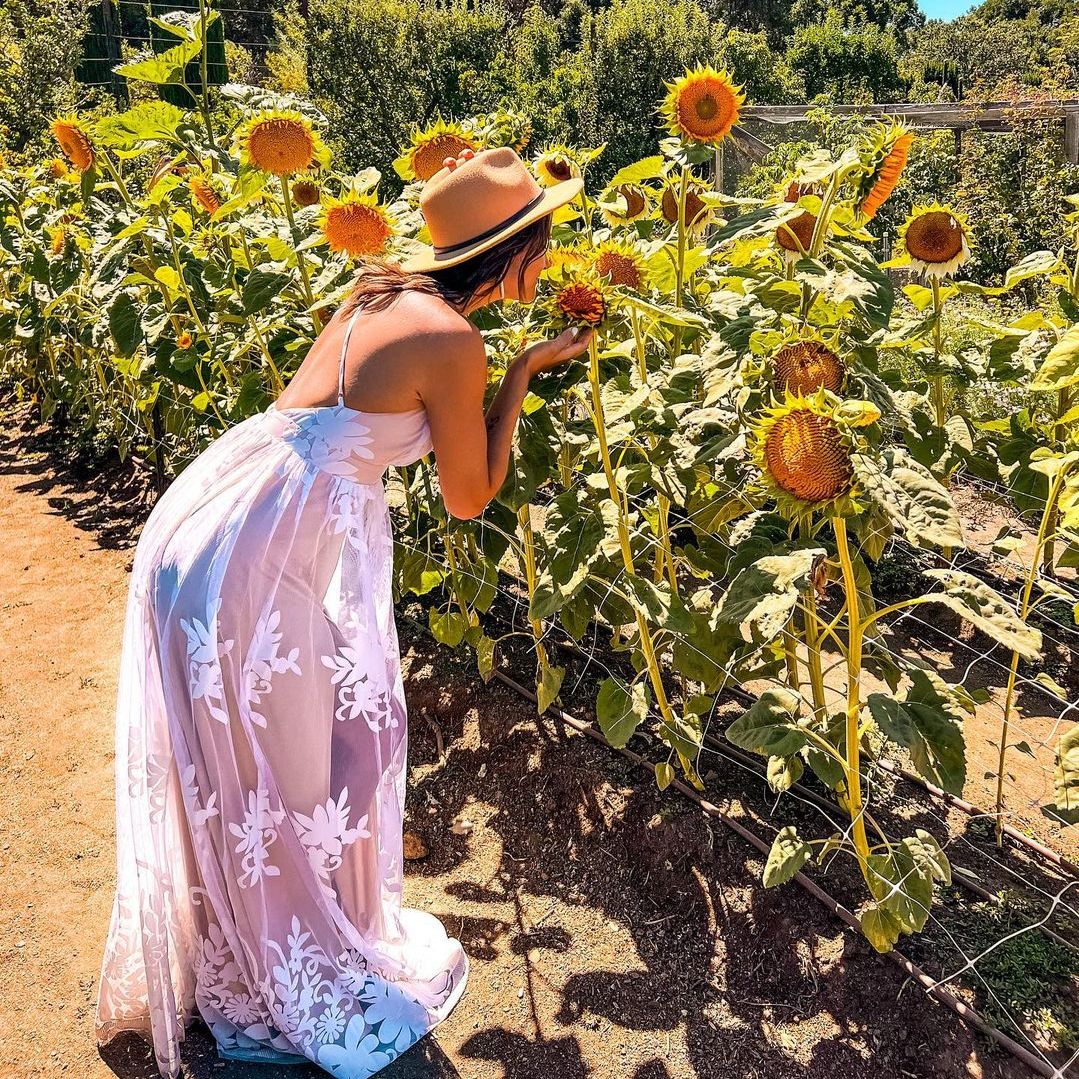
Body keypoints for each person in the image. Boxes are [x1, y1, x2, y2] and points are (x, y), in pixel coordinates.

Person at [93, 146, 592, 1079]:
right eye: (545, 246)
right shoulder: (454, 340)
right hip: (254, 562)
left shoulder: (376, 292)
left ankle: (242, 955)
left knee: (256, 770)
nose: (552, 264)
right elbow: (468, 495)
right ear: (514, 252)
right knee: (290, 777)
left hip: (215, 519)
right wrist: (522, 373)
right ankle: (282, 977)